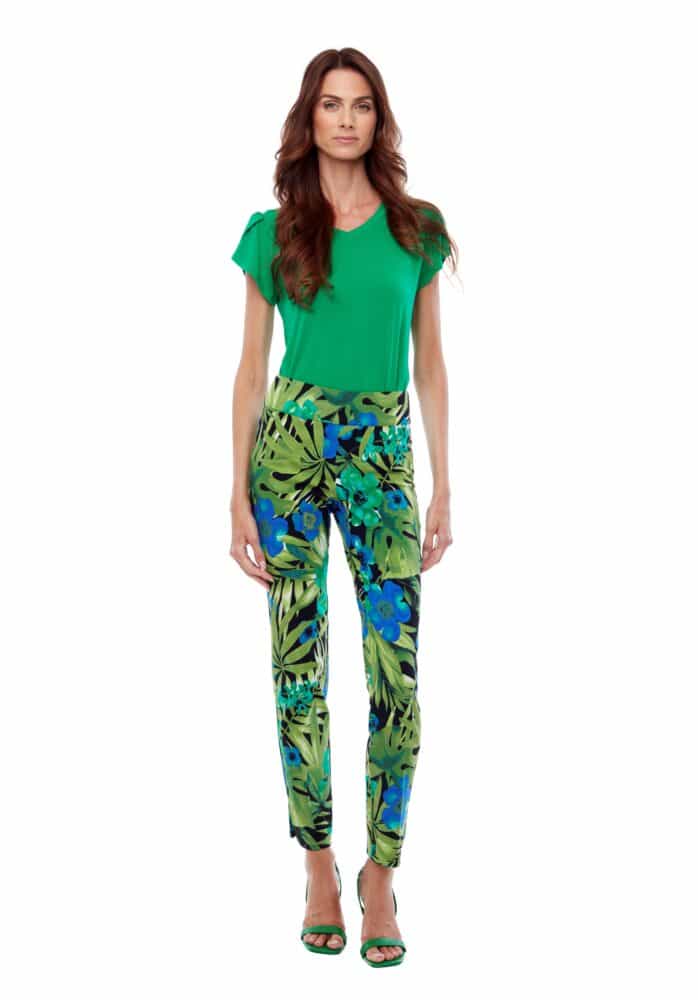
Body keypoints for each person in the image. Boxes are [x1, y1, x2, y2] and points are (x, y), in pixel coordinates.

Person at [228, 47, 456, 967]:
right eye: (331, 105)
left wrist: (443, 485)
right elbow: (250, 370)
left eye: (362, 105)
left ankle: (382, 872)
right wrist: (235, 494)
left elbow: (430, 362)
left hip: (382, 448)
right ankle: (319, 864)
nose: (347, 120)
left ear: (378, 119)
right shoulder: (274, 231)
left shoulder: (416, 229)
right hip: (288, 450)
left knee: (395, 673)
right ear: (309, 118)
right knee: (299, 667)